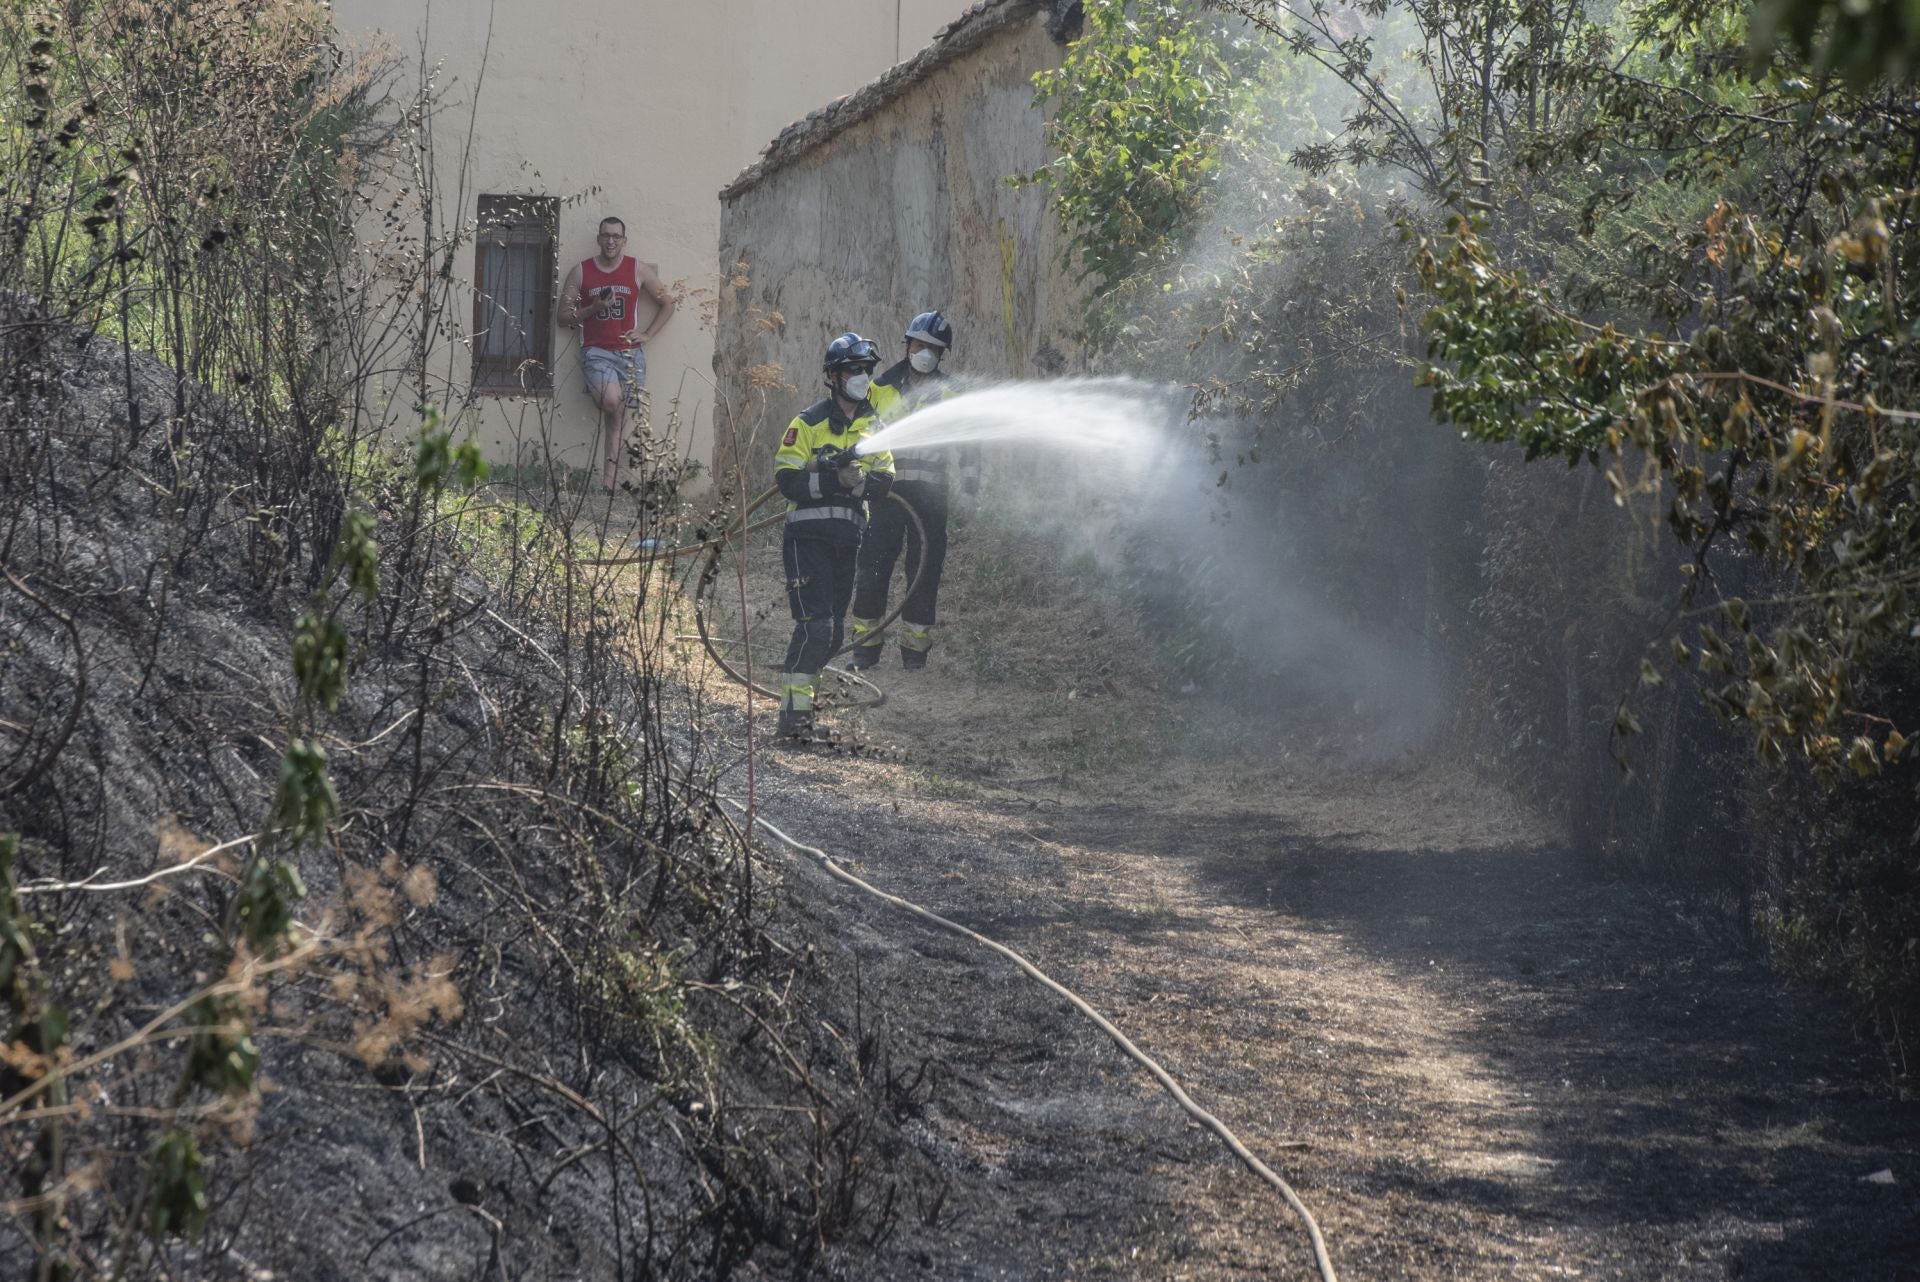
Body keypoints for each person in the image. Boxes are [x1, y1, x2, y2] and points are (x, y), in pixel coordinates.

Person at [771, 333, 896, 741]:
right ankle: (793, 721)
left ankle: (803, 708)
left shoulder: (873, 426)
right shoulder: (807, 423)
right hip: (806, 540)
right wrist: (831, 478)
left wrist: (854, 484)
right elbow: (787, 481)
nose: (861, 377)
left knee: (834, 631)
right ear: (833, 376)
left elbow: (883, 480)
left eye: (866, 370)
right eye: (853, 370)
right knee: (816, 627)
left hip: (848, 540)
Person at [848, 310, 975, 671]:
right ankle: (865, 647)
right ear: (907, 346)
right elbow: (857, 432)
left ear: (941, 354)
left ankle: (914, 653)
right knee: (872, 566)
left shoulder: (952, 394)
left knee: (924, 570)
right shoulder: (879, 388)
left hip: (931, 498)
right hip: (882, 494)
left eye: (933, 348)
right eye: (919, 345)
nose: (925, 353)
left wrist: (968, 488)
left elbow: (970, 445)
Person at [558, 216, 676, 492]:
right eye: (606, 236)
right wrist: (593, 309)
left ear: (624, 240)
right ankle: (608, 482)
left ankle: (607, 486)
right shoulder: (581, 272)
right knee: (613, 402)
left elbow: (668, 304)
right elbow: (563, 317)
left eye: (616, 236)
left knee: (619, 416)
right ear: (598, 239)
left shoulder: (637, 269)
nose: (611, 241)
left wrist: (647, 334)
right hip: (596, 352)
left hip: (629, 356)